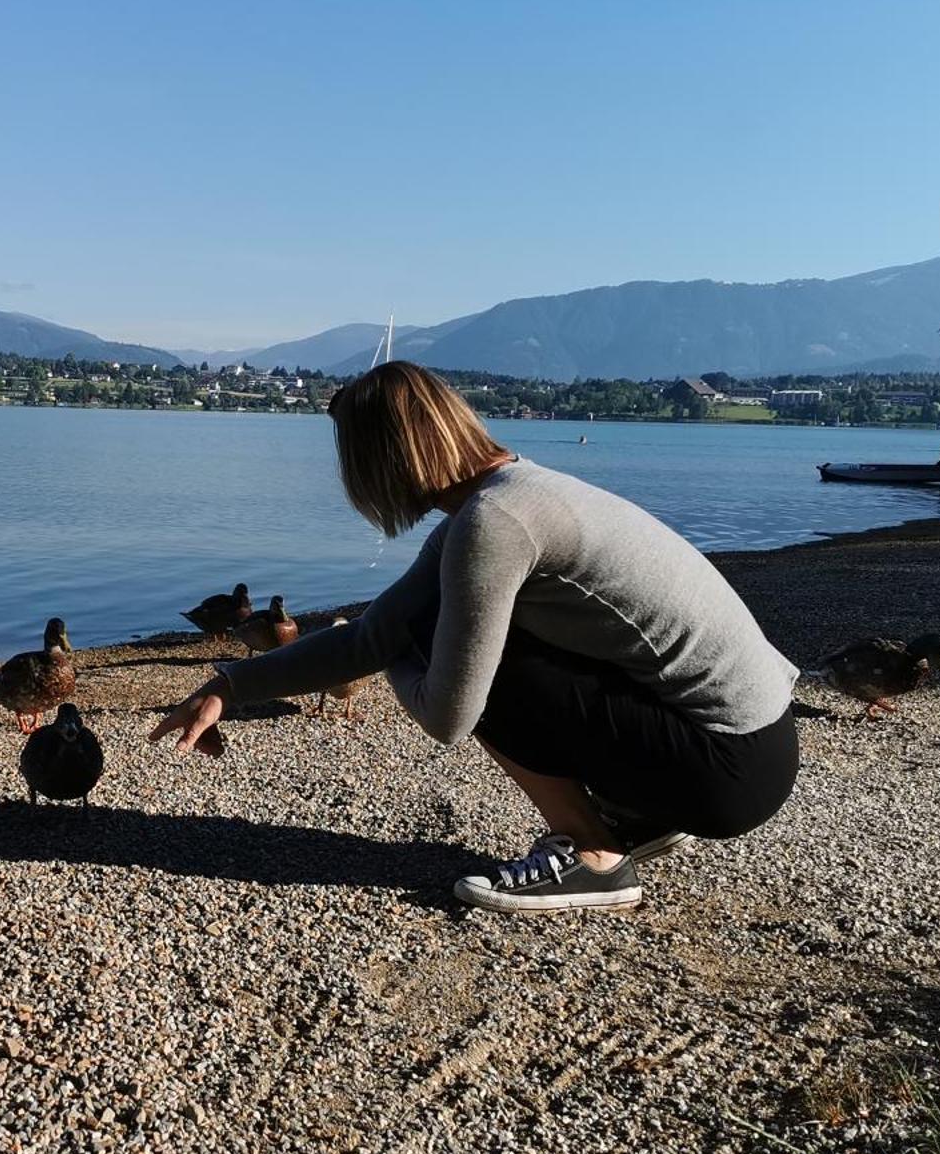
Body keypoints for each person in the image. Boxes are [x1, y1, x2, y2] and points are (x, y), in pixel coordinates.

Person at [150, 362, 800, 914]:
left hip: (727, 772)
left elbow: (448, 715)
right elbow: (369, 635)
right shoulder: (509, 494)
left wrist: (406, 651)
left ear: (383, 459)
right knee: (441, 625)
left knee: (451, 641)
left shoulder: (495, 522)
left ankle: (597, 859)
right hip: (752, 743)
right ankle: (634, 817)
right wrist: (230, 686)